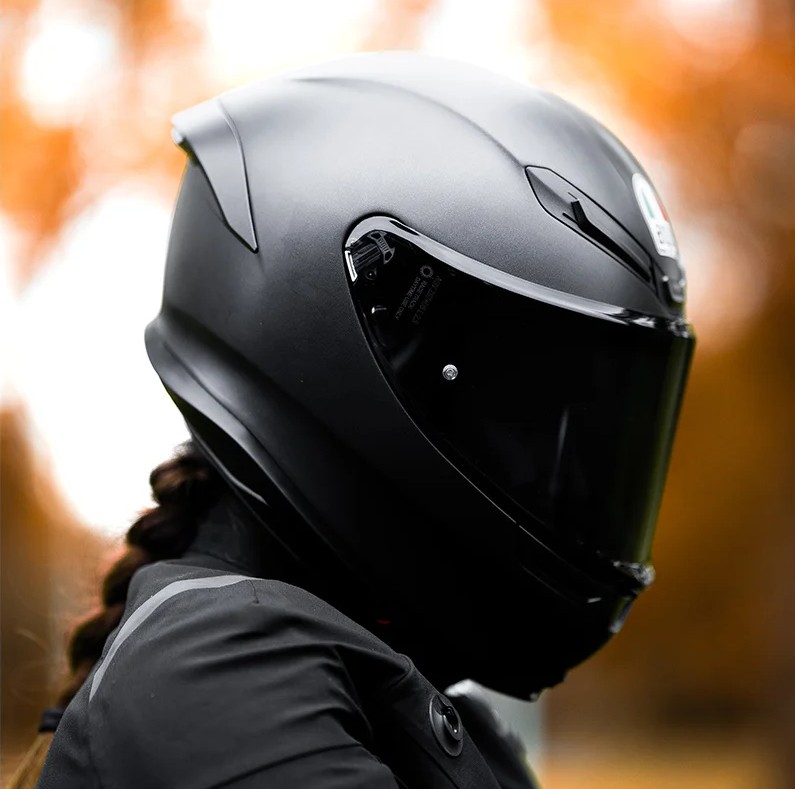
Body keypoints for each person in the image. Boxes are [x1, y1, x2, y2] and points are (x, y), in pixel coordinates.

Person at [14, 52, 694, 788]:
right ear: (334, 344)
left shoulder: (364, 682)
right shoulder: (213, 669)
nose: (554, 471)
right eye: (524, 419)